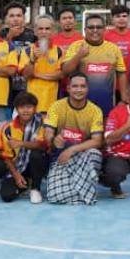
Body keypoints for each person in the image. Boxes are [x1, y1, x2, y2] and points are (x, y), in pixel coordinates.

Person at [42, 73, 105, 205]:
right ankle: (82, 193)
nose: (79, 90)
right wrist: (53, 139)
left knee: (94, 154)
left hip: (83, 157)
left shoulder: (95, 111)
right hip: (61, 158)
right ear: (68, 88)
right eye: (75, 86)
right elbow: (47, 134)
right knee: (54, 197)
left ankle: (75, 192)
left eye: (82, 86)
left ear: (87, 89)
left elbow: (97, 141)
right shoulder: (56, 106)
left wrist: (72, 150)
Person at [61, 13, 127, 117]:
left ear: (104, 29)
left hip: (106, 104)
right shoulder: (76, 46)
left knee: (104, 131)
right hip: (79, 105)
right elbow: (65, 71)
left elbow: (121, 73)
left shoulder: (114, 49)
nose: (95, 30)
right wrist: (79, 55)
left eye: (99, 27)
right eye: (91, 27)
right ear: (85, 29)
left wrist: (124, 99)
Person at [3, 92, 50, 203]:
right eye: (22, 107)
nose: (25, 110)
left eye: (29, 107)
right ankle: (24, 182)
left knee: (36, 154)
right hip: (18, 165)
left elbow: (43, 145)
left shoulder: (43, 122)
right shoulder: (8, 128)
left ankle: (35, 188)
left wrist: (21, 143)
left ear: (35, 108)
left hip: (39, 163)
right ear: (16, 109)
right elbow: (6, 156)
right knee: (6, 196)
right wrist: (16, 175)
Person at [21, 15, 65, 114]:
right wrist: (33, 60)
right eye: (40, 29)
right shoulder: (27, 50)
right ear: (35, 31)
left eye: (47, 29)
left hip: (53, 102)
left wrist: (36, 74)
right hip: (32, 104)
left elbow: (60, 75)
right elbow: (26, 76)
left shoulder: (59, 50)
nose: (44, 32)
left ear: (53, 31)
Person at [3, 1, 36, 108]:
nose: (15, 19)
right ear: (6, 19)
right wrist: (9, 37)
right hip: (5, 86)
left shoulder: (33, 35)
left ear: (24, 18)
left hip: (28, 86)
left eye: (19, 15)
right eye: (11, 16)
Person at [104, 4, 130, 78]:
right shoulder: (105, 36)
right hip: (110, 79)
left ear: (128, 18)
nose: (121, 19)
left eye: (124, 16)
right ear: (112, 18)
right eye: (118, 16)